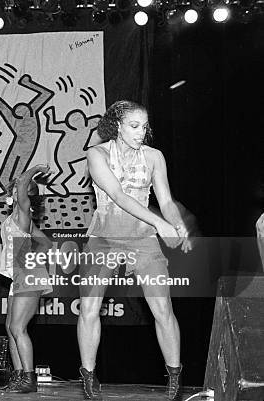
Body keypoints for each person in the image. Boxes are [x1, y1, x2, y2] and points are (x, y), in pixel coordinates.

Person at [77, 100, 191, 400]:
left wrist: (177, 225)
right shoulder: (96, 154)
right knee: (89, 308)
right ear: (117, 125)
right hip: (103, 239)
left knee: (163, 309)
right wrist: (161, 224)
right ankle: (88, 377)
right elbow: (117, 195)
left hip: (143, 241)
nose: (142, 132)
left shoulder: (154, 157)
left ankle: (175, 376)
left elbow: (165, 201)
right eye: (134, 126)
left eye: (145, 126)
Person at [0, 164, 54, 393]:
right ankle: (19, 375)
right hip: (19, 275)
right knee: (10, 327)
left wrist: (36, 169)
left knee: (19, 327)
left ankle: (30, 379)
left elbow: (22, 184)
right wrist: (30, 257)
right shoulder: (18, 220)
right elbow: (46, 243)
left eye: (16, 189)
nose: (12, 192)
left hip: (28, 275)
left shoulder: (23, 212)